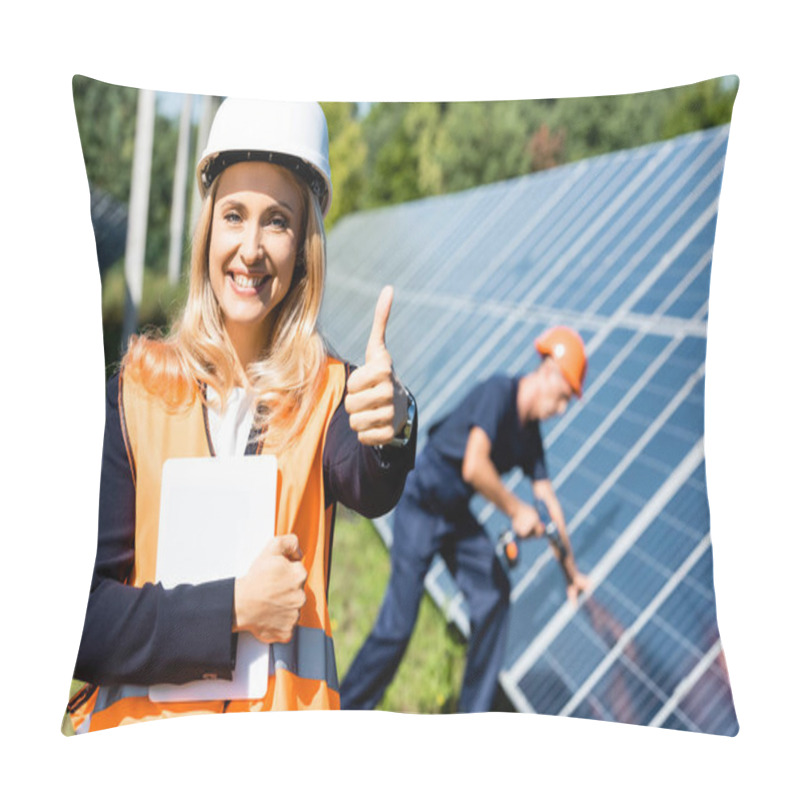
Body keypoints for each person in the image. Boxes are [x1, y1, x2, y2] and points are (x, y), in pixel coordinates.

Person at [67, 97, 417, 733]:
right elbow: (79, 625)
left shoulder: (328, 394)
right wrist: (234, 606)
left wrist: (392, 423)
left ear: (304, 248)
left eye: (277, 222)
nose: (251, 248)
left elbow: (370, 480)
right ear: (209, 232)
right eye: (234, 215)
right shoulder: (133, 392)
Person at [340, 326, 589, 713]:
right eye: (563, 397)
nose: (560, 409)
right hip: (422, 500)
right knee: (399, 627)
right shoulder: (498, 393)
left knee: (493, 596)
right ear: (548, 372)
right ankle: (345, 709)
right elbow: (474, 465)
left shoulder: (530, 438)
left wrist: (572, 574)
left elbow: (549, 503)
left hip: (454, 514)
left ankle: (473, 717)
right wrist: (516, 509)